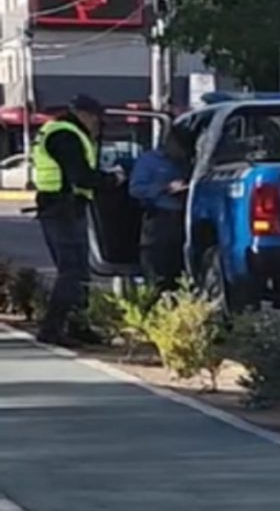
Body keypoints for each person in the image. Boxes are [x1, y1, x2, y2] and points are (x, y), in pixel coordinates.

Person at [31, 94, 124, 346]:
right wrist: (111, 180)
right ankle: (52, 328)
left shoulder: (63, 131)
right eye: (96, 120)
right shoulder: (66, 135)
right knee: (71, 271)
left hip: (64, 208)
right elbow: (81, 176)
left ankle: (77, 326)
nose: (97, 125)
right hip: (62, 208)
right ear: (85, 114)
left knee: (79, 271)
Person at [129, 126, 191, 292]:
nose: (182, 153)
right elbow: (136, 189)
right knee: (157, 272)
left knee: (179, 274)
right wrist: (166, 188)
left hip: (184, 220)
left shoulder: (188, 161)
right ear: (170, 142)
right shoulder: (149, 161)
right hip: (159, 219)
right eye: (180, 148)